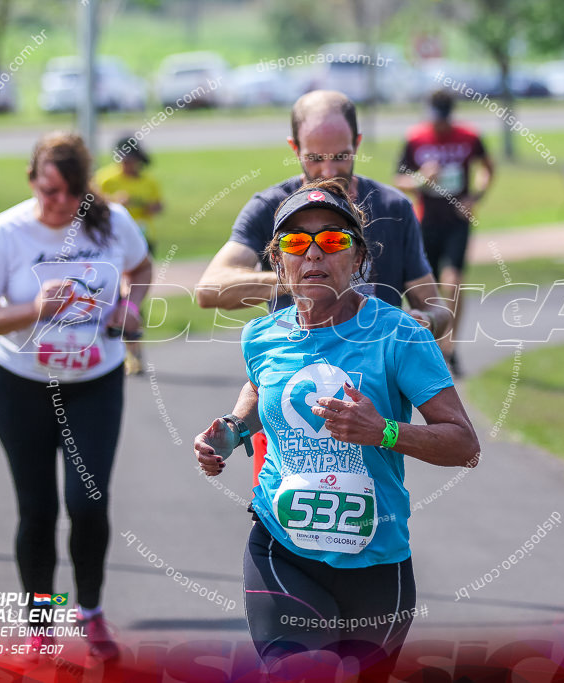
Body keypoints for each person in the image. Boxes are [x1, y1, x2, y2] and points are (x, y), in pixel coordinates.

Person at [193, 180, 480, 679]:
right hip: (282, 548)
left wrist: (385, 432)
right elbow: (266, 389)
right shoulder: (261, 336)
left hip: (376, 563)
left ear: (359, 258)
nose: (313, 255)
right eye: (295, 243)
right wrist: (233, 429)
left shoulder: (399, 334)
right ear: (278, 261)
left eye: (333, 241)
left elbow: (464, 445)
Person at [195, 89, 452, 489]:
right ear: (294, 148)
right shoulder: (271, 208)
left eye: (341, 155)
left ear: (358, 145)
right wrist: (309, 276)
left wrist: (422, 322)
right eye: (315, 158)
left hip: (369, 410)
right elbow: (209, 289)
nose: (328, 168)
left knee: (365, 517)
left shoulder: (394, 207)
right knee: (281, 516)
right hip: (287, 404)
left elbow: (438, 308)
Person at [0, 131, 152, 660]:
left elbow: (141, 268)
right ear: (31, 182)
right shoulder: (7, 231)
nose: (61, 203)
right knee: (38, 509)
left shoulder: (112, 221)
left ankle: (89, 610)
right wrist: (32, 311)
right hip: (20, 385)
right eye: (49, 191)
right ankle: (39, 625)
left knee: (88, 504)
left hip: (94, 383)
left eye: (72, 192)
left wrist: (130, 309)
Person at [395, 89, 493, 376]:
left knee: (454, 282)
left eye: (442, 120)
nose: (438, 125)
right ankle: (431, 346)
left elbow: (487, 168)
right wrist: (420, 178)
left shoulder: (469, 136)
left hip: (456, 221)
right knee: (425, 289)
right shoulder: (416, 138)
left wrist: (475, 197)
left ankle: (450, 348)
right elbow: (398, 178)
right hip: (425, 222)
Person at [94, 135, 163, 376]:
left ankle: (134, 353)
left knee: (133, 301)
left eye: (131, 161)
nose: (127, 165)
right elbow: (91, 204)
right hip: (113, 245)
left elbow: (159, 205)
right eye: (123, 161)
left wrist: (146, 205)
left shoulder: (148, 181)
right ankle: (119, 350)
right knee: (115, 296)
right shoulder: (105, 178)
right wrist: (114, 202)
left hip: (143, 242)